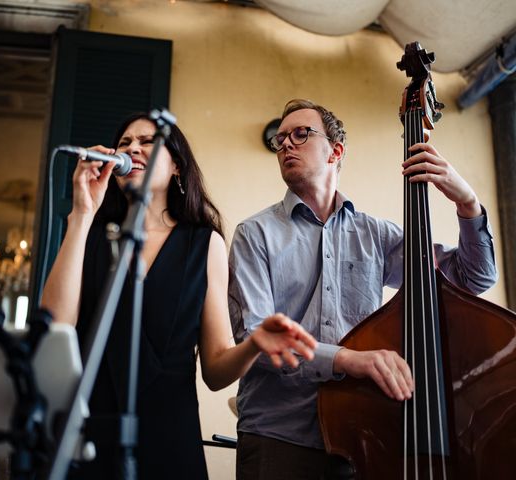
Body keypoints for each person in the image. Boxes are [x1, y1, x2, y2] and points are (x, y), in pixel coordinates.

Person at [228, 99, 498, 480]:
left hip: (361, 433)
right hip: (279, 434)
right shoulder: (254, 234)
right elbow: (255, 337)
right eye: (281, 138)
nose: (286, 143)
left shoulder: (377, 236)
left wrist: (467, 202)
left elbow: (472, 279)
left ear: (335, 151)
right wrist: (348, 359)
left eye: (301, 134)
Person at [40, 112, 318, 479]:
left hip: (168, 434)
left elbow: (216, 371)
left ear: (176, 166)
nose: (133, 149)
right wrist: (81, 213)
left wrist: (253, 345)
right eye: (124, 143)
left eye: (146, 142)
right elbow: (53, 326)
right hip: (91, 428)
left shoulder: (203, 245)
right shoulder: (90, 235)